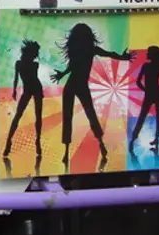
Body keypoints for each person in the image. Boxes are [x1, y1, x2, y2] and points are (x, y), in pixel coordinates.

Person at [53, 23, 134, 171]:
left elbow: (107, 54)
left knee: (77, 117)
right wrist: (122, 57)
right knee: (83, 117)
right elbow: (108, 54)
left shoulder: (84, 50)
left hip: (74, 85)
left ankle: (97, 147)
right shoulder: (89, 50)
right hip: (78, 86)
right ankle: (90, 148)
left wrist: (122, 57)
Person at [3, 40, 44, 162]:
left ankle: (38, 141)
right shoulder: (20, 64)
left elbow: (23, 78)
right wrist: (14, 90)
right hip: (28, 90)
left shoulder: (33, 65)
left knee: (38, 116)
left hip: (36, 89)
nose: (36, 56)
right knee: (18, 115)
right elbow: (16, 78)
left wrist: (15, 90)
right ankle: (8, 141)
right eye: (35, 53)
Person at [131, 46, 159, 151]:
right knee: (158, 116)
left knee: (143, 116)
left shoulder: (146, 66)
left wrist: (145, 89)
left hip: (150, 93)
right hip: (157, 92)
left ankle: (134, 137)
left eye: (148, 52)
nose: (147, 53)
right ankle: (156, 138)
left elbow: (138, 81)